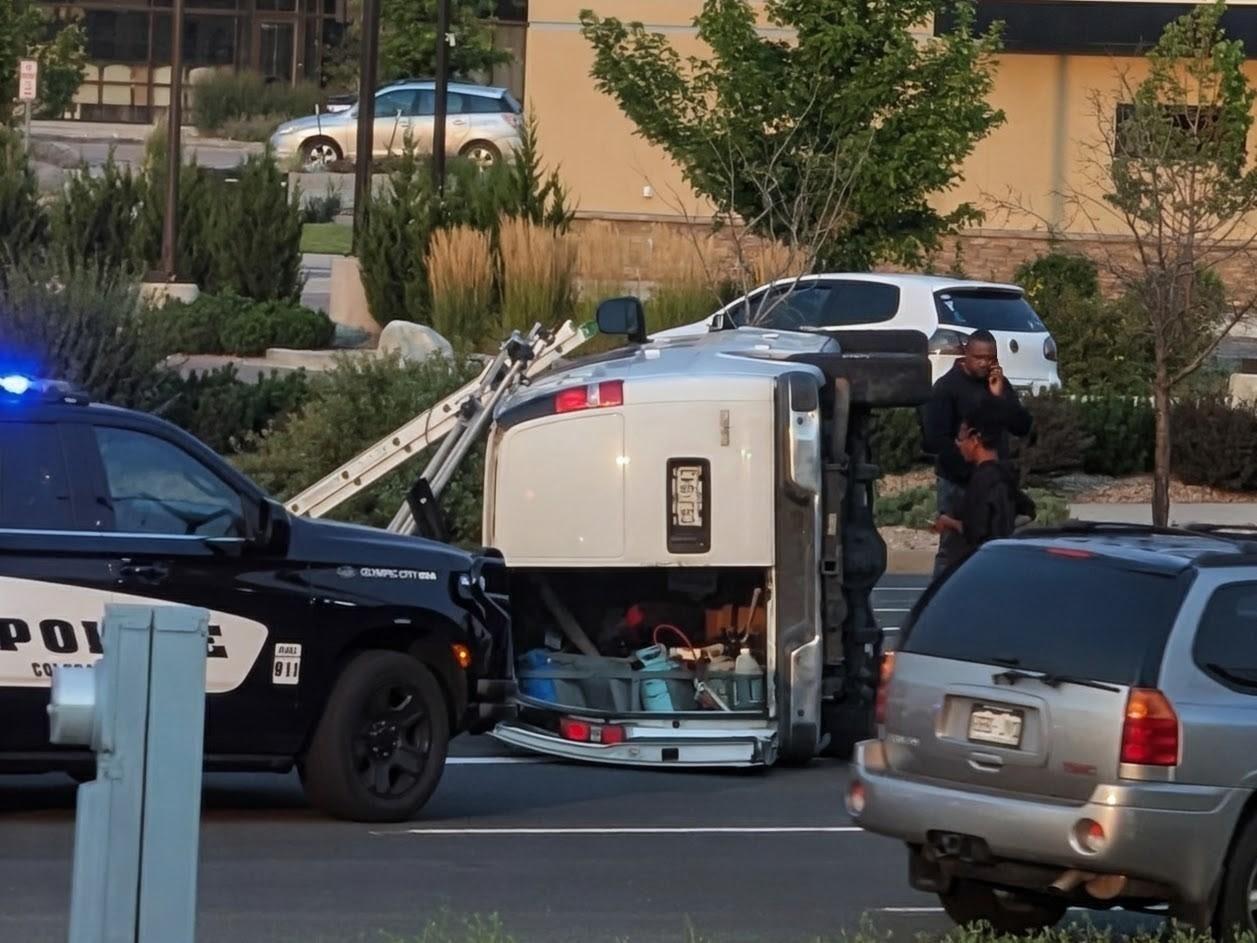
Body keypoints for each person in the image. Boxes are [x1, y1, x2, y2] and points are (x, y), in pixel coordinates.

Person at [921, 329, 1032, 577]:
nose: (984, 363)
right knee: (952, 548)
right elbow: (935, 440)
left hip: (992, 476)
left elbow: (1022, 425)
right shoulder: (947, 387)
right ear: (965, 355)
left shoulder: (999, 386)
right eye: (978, 357)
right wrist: (969, 472)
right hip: (957, 480)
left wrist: (1000, 396)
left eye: (990, 358)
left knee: (994, 542)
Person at [933, 401, 1032, 572]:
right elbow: (1029, 510)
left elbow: (976, 532)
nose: (958, 444)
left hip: (980, 567)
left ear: (975, 438)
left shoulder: (983, 479)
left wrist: (948, 522)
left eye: (961, 438)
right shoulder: (1003, 473)